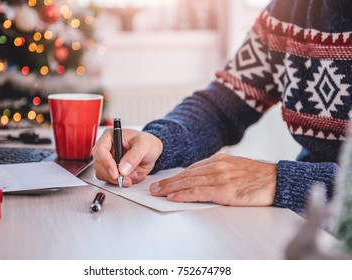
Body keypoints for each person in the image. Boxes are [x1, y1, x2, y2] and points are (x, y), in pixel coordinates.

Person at [92, 0, 352, 214]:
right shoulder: (287, 11)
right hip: (311, 220)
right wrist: (159, 141)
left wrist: (282, 180)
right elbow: (222, 106)